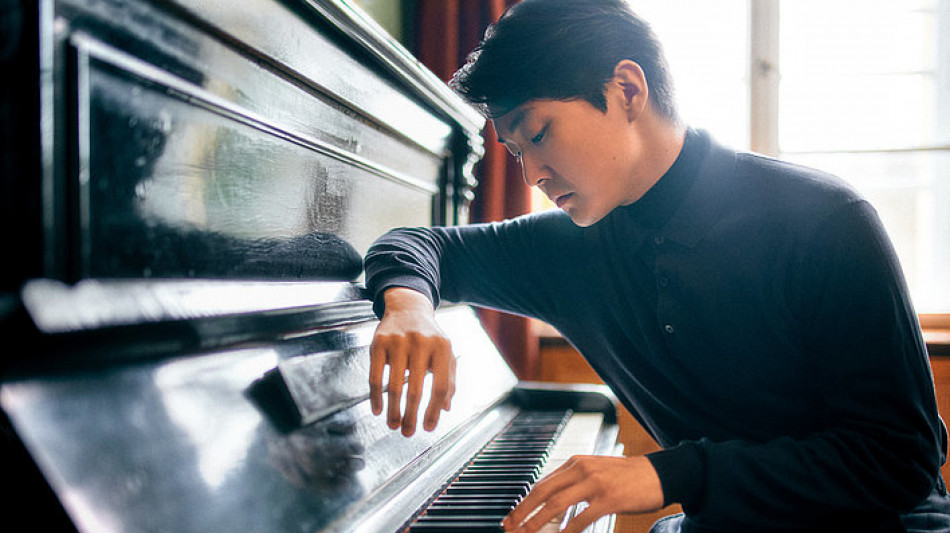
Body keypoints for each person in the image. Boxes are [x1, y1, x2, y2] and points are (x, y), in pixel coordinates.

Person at [363, 0, 950, 531]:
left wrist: (671, 475)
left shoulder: (825, 219)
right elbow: (422, 245)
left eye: (539, 134)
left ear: (626, 89)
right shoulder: (568, 245)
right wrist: (409, 303)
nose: (531, 175)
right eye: (517, 152)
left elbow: (900, 461)